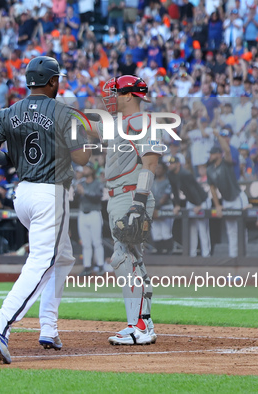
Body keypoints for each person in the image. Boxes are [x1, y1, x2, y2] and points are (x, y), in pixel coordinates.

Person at [0, 56, 89, 363]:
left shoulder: (8, 111)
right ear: (53, 82)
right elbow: (81, 159)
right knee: (42, 260)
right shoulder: (64, 112)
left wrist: (10, 160)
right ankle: (1, 322)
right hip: (50, 193)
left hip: (23, 193)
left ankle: (48, 327)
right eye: (58, 79)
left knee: (62, 256)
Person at [86, 75, 158, 345]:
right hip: (118, 196)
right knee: (134, 259)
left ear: (129, 96)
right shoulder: (119, 124)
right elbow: (92, 127)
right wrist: (62, 111)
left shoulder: (143, 122)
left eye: (115, 92)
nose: (110, 97)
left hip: (131, 195)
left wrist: (139, 203)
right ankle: (145, 322)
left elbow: (150, 164)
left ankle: (136, 326)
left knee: (122, 257)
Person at [206, 134, 249, 258]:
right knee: (230, 232)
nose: (210, 156)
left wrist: (218, 136)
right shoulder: (210, 170)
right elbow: (212, 189)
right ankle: (233, 259)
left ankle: (242, 259)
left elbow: (227, 150)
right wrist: (218, 206)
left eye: (213, 154)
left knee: (240, 229)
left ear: (219, 154)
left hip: (237, 198)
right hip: (226, 200)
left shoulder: (226, 163)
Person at [168, 155, 211, 257]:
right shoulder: (170, 174)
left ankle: (206, 255)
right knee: (191, 229)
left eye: (173, 163)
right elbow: (175, 190)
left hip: (202, 200)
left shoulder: (185, 174)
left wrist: (199, 205)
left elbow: (193, 189)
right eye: (170, 163)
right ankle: (192, 255)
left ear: (178, 164)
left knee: (202, 229)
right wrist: (177, 205)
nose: (171, 165)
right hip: (190, 201)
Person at [75, 164, 105, 276]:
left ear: (92, 170)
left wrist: (84, 192)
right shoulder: (81, 183)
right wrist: (77, 192)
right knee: (85, 243)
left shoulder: (97, 183)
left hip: (94, 213)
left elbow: (98, 197)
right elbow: (75, 199)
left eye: (87, 168)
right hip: (83, 213)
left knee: (97, 241)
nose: (85, 170)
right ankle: (87, 266)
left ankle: (101, 265)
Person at [151, 161, 174, 255]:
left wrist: (155, 208)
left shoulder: (168, 181)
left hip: (165, 207)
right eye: (156, 168)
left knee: (166, 231)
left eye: (159, 168)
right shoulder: (152, 182)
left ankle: (169, 253)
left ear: (164, 170)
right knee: (156, 232)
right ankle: (159, 253)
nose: (157, 170)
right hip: (154, 208)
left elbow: (165, 196)